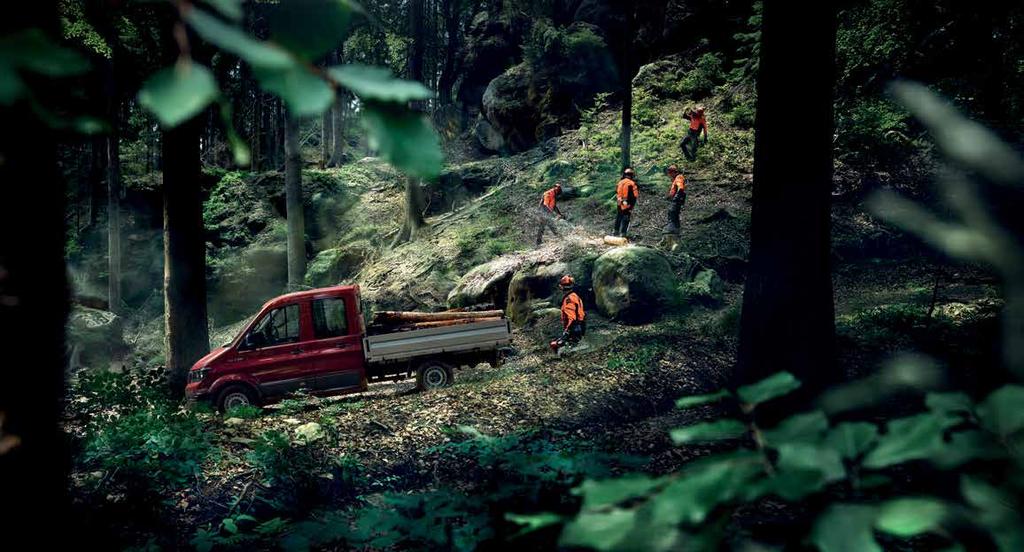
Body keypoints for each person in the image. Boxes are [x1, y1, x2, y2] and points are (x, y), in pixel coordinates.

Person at [550, 274, 585, 353]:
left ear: (562, 287)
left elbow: (572, 319)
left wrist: (566, 334)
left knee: (555, 345)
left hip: (574, 329)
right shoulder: (575, 296)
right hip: (580, 327)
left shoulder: (568, 300)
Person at [614, 167, 639, 237]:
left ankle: (615, 231)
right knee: (626, 218)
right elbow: (634, 196)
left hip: (619, 203)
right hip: (627, 204)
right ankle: (623, 234)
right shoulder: (632, 183)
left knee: (619, 217)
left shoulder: (620, 182)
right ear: (631, 175)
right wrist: (632, 206)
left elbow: (616, 192)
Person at [665, 164, 686, 234]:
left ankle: (671, 229)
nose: (669, 175)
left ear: (674, 172)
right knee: (674, 214)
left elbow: (681, 188)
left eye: (670, 173)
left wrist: (676, 197)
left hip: (677, 200)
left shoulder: (678, 177)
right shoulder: (676, 178)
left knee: (672, 212)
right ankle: (677, 230)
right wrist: (669, 197)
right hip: (676, 199)